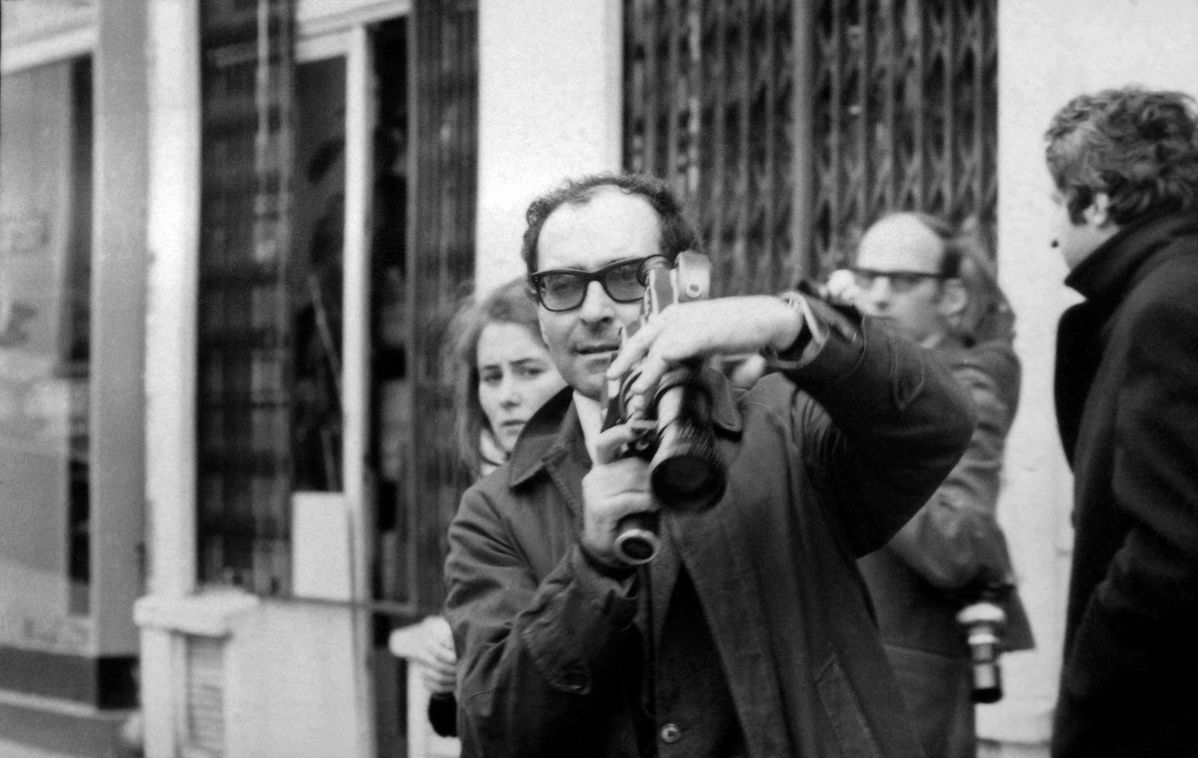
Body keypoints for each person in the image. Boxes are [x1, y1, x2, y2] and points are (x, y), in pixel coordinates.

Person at [443, 172, 976, 757]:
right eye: (563, 285)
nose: (593, 310)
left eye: (625, 277)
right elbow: (494, 727)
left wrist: (793, 323)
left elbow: (936, 425)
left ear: (683, 285)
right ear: (540, 307)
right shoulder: (495, 511)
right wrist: (592, 569)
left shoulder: (784, 426)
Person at [835, 212, 1034, 758]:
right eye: (866, 276)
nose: (876, 297)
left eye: (901, 282)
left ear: (949, 298)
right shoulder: (860, 374)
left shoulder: (968, 384)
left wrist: (856, 427)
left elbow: (958, 543)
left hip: (907, 683)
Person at [1044, 87, 1198, 756]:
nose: (1054, 230)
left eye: (1058, 203)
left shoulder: (1165, 308)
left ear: (1099, 200)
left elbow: (1173, 549)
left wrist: (1087, 696)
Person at [407, 277, 567, 737]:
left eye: (529, 370)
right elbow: (486, 705)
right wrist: (451, 672)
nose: (506, 396)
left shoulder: (620, 482)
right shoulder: (487, 506)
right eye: (491, 377)